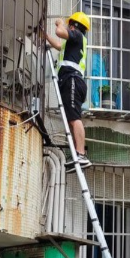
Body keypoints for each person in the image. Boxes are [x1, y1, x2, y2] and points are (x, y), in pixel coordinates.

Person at [45, 12, 92, 168]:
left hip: (73, 79)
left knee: (74, 118)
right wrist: (44, 35)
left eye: (70, 24)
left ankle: (81, 155)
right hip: (69, 80)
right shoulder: (72, 43)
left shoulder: (77, 36)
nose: (69, 27)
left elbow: (60, 32)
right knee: (72, 119)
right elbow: (58, 45)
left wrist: (59, 23)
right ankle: (78, 154)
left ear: (75, 26)